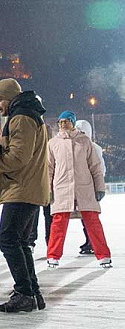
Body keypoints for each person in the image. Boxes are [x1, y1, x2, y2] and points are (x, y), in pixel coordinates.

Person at [0, 78, 49, 312]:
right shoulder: (28, 113)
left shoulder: (22, 117)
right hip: (28, 187)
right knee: (20, 241)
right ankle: (32, 292)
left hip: (22, 188)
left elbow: (18, 158)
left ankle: (25, 292)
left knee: (7, 238)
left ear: (10, 97)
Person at [46, 110, 110, 267]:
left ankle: (103, 255)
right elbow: (48, 169)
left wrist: (99, 187)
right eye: (60, 122)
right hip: (62, 189)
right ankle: (53, 256)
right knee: (58, 223)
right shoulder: (53, 144)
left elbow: (95, 166)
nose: (62, 125)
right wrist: (47, 190)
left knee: (93, 222)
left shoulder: (84, 141)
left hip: (84, 188)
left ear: (72, 123)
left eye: (66, 121)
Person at [75, 119, 104, 255]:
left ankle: (93, 242)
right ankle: (89, 241)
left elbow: (99, 169)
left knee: (90, 217)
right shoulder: (76, 146)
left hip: (90, 187)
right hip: (81, 187)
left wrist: (98, 187)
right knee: (84, 217)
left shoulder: (94, 148)